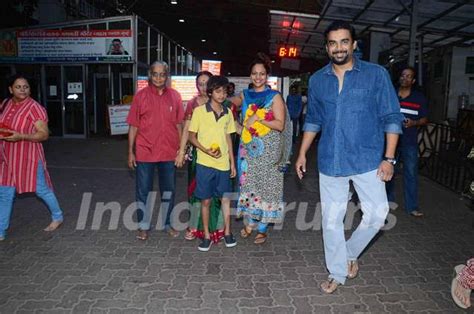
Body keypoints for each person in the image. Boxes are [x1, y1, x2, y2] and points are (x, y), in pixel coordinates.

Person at [295, 20, 404, 293]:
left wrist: (389, 159)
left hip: (368, 159)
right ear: (327, 47)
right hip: (331, 160)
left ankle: (349, 253)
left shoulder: (376, 75)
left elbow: (392, 117)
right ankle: (337, 272)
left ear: (354, 44)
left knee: (378, 216)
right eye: (333, 43)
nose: (339, 48)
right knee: (331, 221)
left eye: (344, 42)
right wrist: (302, 153)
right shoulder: (319, 80)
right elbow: (314, 120)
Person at [231, 52, 292, 245]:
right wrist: (236, 125)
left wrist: (259, 118)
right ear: (250, 76)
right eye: (254, 73)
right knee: (248, 184)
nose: (258, 77)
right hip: (248, 150)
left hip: (269, 150)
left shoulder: (274, 97)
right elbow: (225, 104)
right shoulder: (245, 95)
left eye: (262, 73)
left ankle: (263, 229)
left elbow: (280, 125)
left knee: (267, 187)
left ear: (267, 76)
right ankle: (250, 222)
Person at [0, 74, 63, 241]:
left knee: (41, 189)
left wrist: (21, 136)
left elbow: (43, 135)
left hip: (28, 157)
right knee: (5, 193)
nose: (22, 90)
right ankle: (1, 230)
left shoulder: (35, 108)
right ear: (10, 89)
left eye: (25, 87)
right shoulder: (5, 104)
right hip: (7, 157)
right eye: (18, 87)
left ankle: (58, 216)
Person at [127, 61, 184, 241]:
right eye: (155, 74)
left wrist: (181, 150)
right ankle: (143, 226)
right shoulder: (140, 96)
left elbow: (179, 125)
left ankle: (167, 224)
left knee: (169, 190)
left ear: (167, 76)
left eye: (162, 74)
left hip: (169, 152)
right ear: (149, 75)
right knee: (143, 191)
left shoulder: (175, 96)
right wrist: (130, 151)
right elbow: (134, 126)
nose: (159, 77)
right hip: (145, 152)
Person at [176, 71, 226, 243]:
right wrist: (181, 151)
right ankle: (194, 226)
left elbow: (233, 128)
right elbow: (187, 131)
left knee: (218, 192)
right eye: (200, 84)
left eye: (207, 83)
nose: (204, 87)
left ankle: (217, 227)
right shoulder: (193, 104)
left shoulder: (222, 102)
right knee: (197, 192)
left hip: (220, 157)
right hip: (199, 156)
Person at [188, 75, 237, 251]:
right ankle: (207, 235)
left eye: (224, 91)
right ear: (210, 92)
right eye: (218, 91)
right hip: (204, 164)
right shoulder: (199, 112)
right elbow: (191, 136)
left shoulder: (228, 113)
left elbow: (229, 137)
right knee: (206, 201)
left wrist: (232, 162)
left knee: (225, 200)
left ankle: (228, 232)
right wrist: (205, 149)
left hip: (223, 165)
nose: (222, 95)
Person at [386, 66, 428, 217]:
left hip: (409, 141)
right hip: (390, 141)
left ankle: (412, 207)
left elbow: (424, 119)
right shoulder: (391, 95)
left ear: (413, 80)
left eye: (409, 76)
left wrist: (413, 123)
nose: (405, 78)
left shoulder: (419, 98)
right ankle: (388, 202)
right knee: (388, 172)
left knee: (410, 173)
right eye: (403, 75)